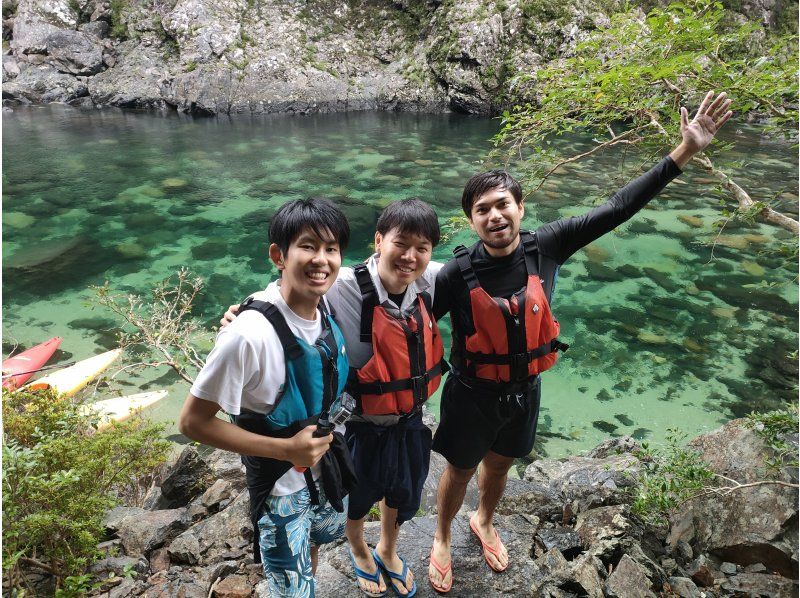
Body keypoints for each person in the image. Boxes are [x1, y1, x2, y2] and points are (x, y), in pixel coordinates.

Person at [426, 91, 733, 593]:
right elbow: (413, 322)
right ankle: (440, 536)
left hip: (525, 390)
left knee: (500, 465)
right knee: (459, 469)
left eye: (503, 204)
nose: (495, 216)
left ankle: (484, 520)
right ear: (471, 220)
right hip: (471, 393)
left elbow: (617, 207)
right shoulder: (457, 273)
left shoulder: (547, 245)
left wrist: (684, 152)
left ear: (520, 208)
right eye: (482, 210)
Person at [223, 198, 446, 597]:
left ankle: (389, 550)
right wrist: (242, 312)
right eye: (401, 243)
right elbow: (291, 294)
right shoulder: (339, 285)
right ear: (379, 240)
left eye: (423, 248)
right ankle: (358, 548)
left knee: (402, 490)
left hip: (409, 417)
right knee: (356, 497)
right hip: (358, 421)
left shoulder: (429, 279)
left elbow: (482, 265)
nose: (410, 257)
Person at [179, 197, 353, 598]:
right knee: (290, 590)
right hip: (280, 487)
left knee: (315, 545)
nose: (321, 260)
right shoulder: (247, 335)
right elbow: (191, 422)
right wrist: (285, 450)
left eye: (331, 249)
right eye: (308, 246)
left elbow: (396, 264)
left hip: (324, 467)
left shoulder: (324, 298)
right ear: (279, 254)